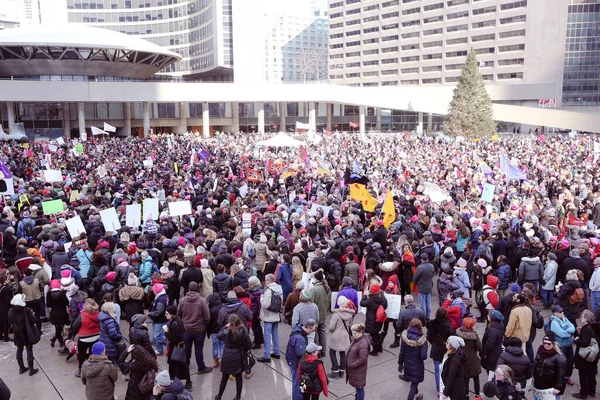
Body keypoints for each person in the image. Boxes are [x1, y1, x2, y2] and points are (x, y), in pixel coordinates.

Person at [177, 281, 212, 375]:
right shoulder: (202, 301)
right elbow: (207, 316)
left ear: (189, 289)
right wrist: (205, 325)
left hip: (186, 329)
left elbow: (178, 314)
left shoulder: (182, 300)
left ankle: (185, 365)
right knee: (199, 349)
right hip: (199, 329)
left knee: (186, 348)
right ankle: (201, 367)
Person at [214, 314, 252, 400]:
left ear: (229, 323)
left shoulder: (226, 332)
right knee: (238, 377)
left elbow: (218, 335)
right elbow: (249, 345)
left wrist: (225, 327)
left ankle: (219, 396)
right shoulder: (243, 332)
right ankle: (238, 397)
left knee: (224, 377)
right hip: (238, 357)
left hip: (227, 356)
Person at [7, 294, 39, 376]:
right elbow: (33, 321)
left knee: (19, 349)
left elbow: (10, 322)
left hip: (17, 333)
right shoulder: (26, 310)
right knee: (29, 350)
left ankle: (21, 368)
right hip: (26, 333)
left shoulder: (10, 311)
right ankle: (31, 369)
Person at [286, 319, 317, 400]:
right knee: (298, 385)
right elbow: (301, 354)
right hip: (297, 365)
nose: (313, 332)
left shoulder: (298, 332)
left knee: (301, 384)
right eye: (313, 330)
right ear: (309, 328)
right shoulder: (300, 338)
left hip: (294, 363)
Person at [426, 308, 455, 394]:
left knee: (437, 370)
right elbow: (452, 337)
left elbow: (429, 337)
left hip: (436, 349)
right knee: (446, 369)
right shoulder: (448, 325)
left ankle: (439, 388)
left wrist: (434, 343)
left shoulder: (432, 325)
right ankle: (445, 387)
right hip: (446, 350)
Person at [398, 318, 428, 400]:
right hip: (417, 366)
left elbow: (402, 353)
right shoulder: (422, 340)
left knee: (414, 382)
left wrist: (400, 364)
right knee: (414, 385)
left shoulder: (405, 337)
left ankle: (417, 395)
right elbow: (423, 356)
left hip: (407, 365)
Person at [326, 295, 355, 379]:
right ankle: (342, 370)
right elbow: (350, 325)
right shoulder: (350, 315)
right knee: (342, 353)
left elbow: (331, 327)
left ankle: (335, 370)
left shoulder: (336, 315)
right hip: (345, 335)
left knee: (332, 352)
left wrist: (330, 331)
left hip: (336, 336)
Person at [164, 305, 192, 391]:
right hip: (181, 347)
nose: (165, 315)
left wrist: (166, 332)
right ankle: (188, 382)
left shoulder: (173, 324)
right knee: (183, 366)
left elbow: (173, 339)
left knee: (174, 368)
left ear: (172, 314)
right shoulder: (179, 320)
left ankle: (174, 386)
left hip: (174, 349)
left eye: (167, 314)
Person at [547, 304, 576, 386]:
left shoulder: (564, 318)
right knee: (561, 363)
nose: (562, 312)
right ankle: (560, 379)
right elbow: (562, 334)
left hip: (569, 345)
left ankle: (567, 377)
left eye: (562, 311)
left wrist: (567, 331)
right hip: (561, 346)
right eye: (560, 311)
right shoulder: (554, 322)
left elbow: (573, 328)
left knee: (570, 362)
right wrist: (568, 331)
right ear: (555, 313)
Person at [258, 273, 283, 363]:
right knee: (275, 334)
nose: (265, 281)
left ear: (270, 280)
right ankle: (276, 352)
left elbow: (265, 304)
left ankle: (267, 356)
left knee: (267, 336)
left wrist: (261, 298)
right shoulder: (279, 289)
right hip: (276, 315)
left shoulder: (269, 291)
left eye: (266, 279)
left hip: (268, 316)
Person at [532, 334, 567, 400]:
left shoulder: (560, 357)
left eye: (548, 343)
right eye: (544, 343)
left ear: (553, 344)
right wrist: (533, 374)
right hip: (539, 385)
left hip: (551, 387)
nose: (546, 345)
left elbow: (561, 374)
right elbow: (535, 364)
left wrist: (558, 388)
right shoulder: (540, 352)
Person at [573, 310, 598, 399]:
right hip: (592, 357)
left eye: (583, 317)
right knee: (591, 374)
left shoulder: (587, 329)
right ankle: (592, 391)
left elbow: (585, 342)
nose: (581, 318)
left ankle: (583, 393)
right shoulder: (592, 327)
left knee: (583, 375)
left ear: (587, 319)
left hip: (584, 357)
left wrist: (576, 339)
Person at [73, 298, 101, 378]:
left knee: (81, 354)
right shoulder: (98, 313)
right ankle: (93, 368)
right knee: (93, 353)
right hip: (96, 336)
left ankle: (81, 370)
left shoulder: (82, 315)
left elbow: (75, 325)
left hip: (84, 338)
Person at [456, 316, 482, 397]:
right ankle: (477, 395)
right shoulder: (474, 336)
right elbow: (479, 347)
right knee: (476, 378)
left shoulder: (458, 333)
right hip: (473, 360)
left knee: (465, 379)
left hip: (462, 359)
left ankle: (466, 395)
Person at [360, 283, 387, 355]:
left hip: (371, 320)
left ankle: (375, 351)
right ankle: (379, 348)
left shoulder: (370, 300)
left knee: (373, 335)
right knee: (376, 333)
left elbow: (362, 303)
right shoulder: (383, 298)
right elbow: (385, 306)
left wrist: (365, 295)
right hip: (379, 319)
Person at [346, 323, 371, 400]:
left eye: (355, 333)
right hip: (356, 370)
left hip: (358, 370)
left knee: (359, 388)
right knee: (358, 387)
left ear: (361, 332)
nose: (353, 335)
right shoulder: (357, 339)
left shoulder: (363, 343)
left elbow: (363, 359)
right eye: (352, 333)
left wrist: (352, 365)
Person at [310, 270, 330, 358]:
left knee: (315, 334)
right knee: (322, 332)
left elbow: (311, 303)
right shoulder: (327, 287)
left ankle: (317, 351)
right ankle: (323, 351)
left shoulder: (314, 289)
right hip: (324, 313)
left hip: (316, 315)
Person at [481, 310, 506, 381]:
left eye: (489, 316)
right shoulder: (500, 327)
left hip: (491, 355)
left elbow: (489, 344)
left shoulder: (493, 330)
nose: (487, 317)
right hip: (496, 352)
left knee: (491, 374)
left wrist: (483, 353)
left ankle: (490, 389)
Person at [440, 335, 468, 400]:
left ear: (452, 345)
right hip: (458, 387)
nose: (446, 343)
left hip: (455, 390)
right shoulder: (457, 353)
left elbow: (451, 377)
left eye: (448, 342)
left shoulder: (454, 361)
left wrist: (445, 393)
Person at [46, 279, 69, 349]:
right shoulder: (62, 294)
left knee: (57, 327)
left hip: (54, 312)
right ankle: (60, 340)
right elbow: (67, 303)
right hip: (62, 312)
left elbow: (48, 304)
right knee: (60, 326)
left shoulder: (49, 294)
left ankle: (55, 338)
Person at [148, 283, 168, 356]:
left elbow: (158, 312)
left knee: (157, 336)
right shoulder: (162, 296)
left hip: (160, 321)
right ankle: (159, 350)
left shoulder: (160, 300)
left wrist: (149, 314)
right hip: (159, 320)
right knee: (160, 335)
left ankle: (169, 343)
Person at [413, 252, 434, 320]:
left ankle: (423, 317)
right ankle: (428, 316)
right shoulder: (431, 266)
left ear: (421, 259)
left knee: (422, 303)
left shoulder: (419, 267)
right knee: (428, 302)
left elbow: (415, 278)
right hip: (429, 286)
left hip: (421, 287)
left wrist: (416, 283)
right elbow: (432, 275)